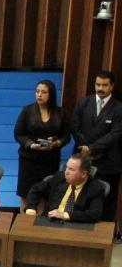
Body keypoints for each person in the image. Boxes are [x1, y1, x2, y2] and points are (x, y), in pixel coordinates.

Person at [72, 70, 122, 222]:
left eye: (104, 85)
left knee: (107, 203)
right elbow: (75, 128)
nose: (100, 88)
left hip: (108, 163)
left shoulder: (118, 108)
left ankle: (105, 232)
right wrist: (85, 147)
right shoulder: (83, 103)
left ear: (112, 86)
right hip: (82, 160)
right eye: (97, 84)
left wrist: (92, 149)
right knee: (79, 199)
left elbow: (115, 134)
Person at [15, 80, 71, 208]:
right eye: (37, 91)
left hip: (50, 160)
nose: (39, 95)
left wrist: (56, 143)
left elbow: (66, 136)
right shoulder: (27, 110)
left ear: (51, 94)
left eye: (44, 92)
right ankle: (25, 219)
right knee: (26, 193)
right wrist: (30, 144)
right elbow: (18, 134)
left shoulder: (61, 113)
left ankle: (41, 219)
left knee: (46, 193)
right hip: (29, 159)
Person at [23, 153, 104, 223]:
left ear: (83, 174)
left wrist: (64, 215)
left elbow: (94, 214)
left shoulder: (96, 188)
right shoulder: (60, 177)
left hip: (75, 225)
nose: (66, 172)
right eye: (67, 167)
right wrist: (31, 208)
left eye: (71, 169)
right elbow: (36, 189)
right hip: (49, 221)